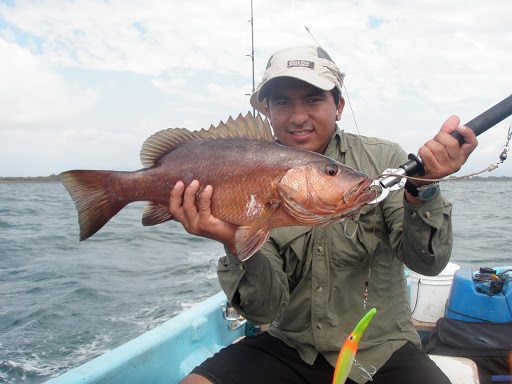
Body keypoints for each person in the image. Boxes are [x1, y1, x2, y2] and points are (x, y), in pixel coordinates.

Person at [171, 45, 478, 384]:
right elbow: (263, 311)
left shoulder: (382, 160)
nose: (298, 116)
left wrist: (423, 191)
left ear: (339, 106)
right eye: (283, 102)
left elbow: (427, 264)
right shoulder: (249, 168)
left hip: (380, 350)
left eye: (313, 99)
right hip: (290, 345)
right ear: (268, 111)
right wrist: (232, 240)